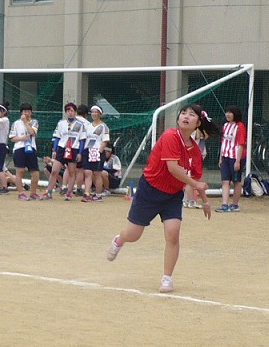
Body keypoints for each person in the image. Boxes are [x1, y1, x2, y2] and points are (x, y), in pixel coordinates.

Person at [106, 104, 217, 293]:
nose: (186, 117)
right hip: (149, 190)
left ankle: (167, 278)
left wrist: (205, 201)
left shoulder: (196, 152)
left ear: (198, 123)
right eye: (183, 113)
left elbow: (198, 179)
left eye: (191, 115)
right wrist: (196, 185)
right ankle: (119, 240)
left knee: (173, 234)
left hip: (172, 195)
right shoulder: (170, 136)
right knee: (134, 234)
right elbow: (173, 168)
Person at [218, 106, 247, 212]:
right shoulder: (225, 126)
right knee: (225, 181)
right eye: (226, 112)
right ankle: (224, 204)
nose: (228, 114)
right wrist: (221, 157)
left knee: (236, 181)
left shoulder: (240, 126)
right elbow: (223, 142)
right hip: (225, 156)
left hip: (235, 157)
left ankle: (235, 204)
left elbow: (241, 144)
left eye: (230, 112)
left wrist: (238, 161)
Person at [10, 103, 41, 200]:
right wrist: (21, 138)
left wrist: (26, 122)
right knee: (20, 170)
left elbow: (32, 132)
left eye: (28, 111)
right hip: (19, 148)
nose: (27, 113)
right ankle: (21, 192)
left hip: (31, 148)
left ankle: (33, 192)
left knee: (35, 172)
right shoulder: (16, 123)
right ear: (21, 112)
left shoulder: (34, 122)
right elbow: (12, 138)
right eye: (24, 111)